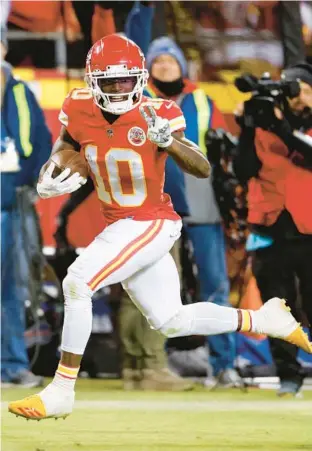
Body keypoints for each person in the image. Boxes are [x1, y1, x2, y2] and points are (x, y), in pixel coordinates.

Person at [8, 34, 312, 420]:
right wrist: (53, 168)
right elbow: (68, 142)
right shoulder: (79, 106)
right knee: (171, 320)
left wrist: (169, 142)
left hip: (150, 220)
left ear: (139, 78)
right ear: (91, 81)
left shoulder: (158, 112)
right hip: (119, 222)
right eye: (109, 82)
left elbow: (201, 166)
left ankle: (62, 389)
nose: (118, 89)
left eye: (125, 81)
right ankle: (264, 319)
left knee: (76, 282)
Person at [138, 36, 241, 387]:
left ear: (182, 65)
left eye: (171, 60)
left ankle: (223, 364)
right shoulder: (139, 99)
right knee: (160, 286)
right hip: (156, 199)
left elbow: (222, 150)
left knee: (215, 283)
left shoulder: (202, 99)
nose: (165, 66)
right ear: (148, 67)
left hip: (202, 198)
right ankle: (160, 365)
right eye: (158, 61)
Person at [233, 62, 312, 396]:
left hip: (309, 227)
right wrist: (249, 128)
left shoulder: (288, 127)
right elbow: (243, 168)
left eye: (304, 88)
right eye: (293, 88)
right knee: (278, 307)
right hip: (269, 225)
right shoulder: (265, 122)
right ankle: (288, 375)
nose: (297, 96)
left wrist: (280, 129)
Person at [1, 50, 52, 386]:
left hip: (11, 205)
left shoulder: (20, 92)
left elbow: (42, 139)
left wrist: (30, 184)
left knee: (11, 287)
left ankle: (12, 364)